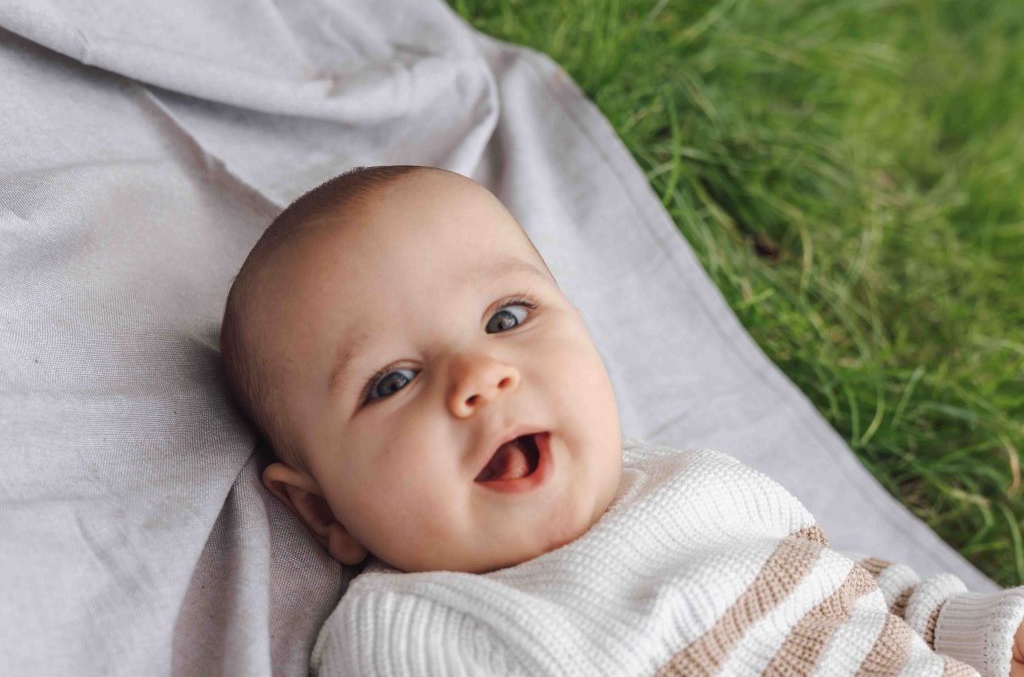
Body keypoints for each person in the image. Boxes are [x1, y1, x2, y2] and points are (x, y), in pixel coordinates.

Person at [220, 164, 1024, 676]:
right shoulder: (414, 627)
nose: (480, 376)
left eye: (506, 317)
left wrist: (986, 632)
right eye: (393, 380)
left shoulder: (697, 481)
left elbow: (856, 592)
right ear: (323, 510)